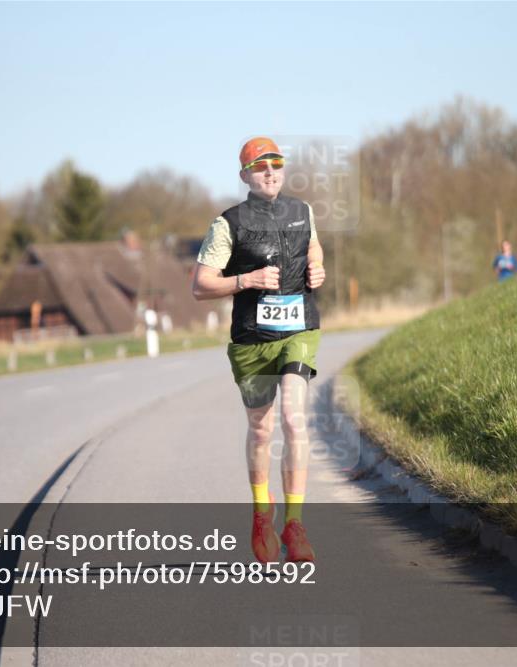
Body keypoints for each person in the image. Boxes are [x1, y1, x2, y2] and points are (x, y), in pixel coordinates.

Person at [191, 137, 325, 564]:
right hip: (251, 339)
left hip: (298, 329)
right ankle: (261, 515)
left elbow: (313, 246)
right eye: (260, 166)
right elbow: (200, 286)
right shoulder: (227, 224)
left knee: (293, 416)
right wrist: (245, 281)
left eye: (277, 164)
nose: (270, 172)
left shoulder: (301, 212)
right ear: (245, 175)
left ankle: (295, 525)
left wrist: (316, 266)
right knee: (263, 430)